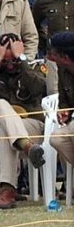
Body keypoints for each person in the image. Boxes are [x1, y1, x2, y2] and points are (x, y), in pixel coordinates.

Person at [0, 33, 46, 210]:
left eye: (13, 60)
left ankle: (7, 191)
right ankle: (26, 147)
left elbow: (38, 89)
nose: (10, 65)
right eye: (6, 61)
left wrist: (22, 60)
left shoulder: (30, 66)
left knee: (7, 132)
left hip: (30, 125)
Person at [46, 32, 74, 172]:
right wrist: (64, 111)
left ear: (65, 57)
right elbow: (63, 100)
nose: (51, 57)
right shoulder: (62, 70)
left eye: (54, 54)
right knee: (56, 139)